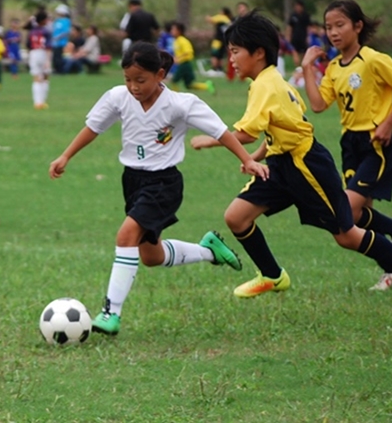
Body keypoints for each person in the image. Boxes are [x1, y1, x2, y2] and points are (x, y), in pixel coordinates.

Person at [190, 10, 392, 318]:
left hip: (307, 166)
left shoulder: (267, 86)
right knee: (237, 217)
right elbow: (282, 129)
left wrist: (212, 138)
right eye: (229, 53)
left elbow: (246, 133)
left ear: (259, 53)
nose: (232, 60)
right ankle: (272, 275)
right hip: (281, 165)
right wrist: (254, 161)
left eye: (236, 52)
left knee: (347, 234)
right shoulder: (271, 83)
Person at [48, 41, 264, 335]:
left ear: (160, 74)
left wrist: (247, 160)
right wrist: (65, 155)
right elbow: (93, 127)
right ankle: (208, 250)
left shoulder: (181, 104)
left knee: (126, 234)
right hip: (133, 181)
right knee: (151, 256)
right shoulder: (118, 97)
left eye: (141, 80)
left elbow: (221, 132)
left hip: (164, 182)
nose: (133, 87)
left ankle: (110, 313)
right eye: (128, 80)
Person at [301, 0, 392, 291]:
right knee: (358, 218)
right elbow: (317, 105)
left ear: (357, 26)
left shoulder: (373, 59)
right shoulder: (333, 67)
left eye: (340, 25)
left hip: (375, 143)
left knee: (347, 213)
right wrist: (307, 67)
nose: (333, 32)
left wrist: (388, 123)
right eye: (329, 27)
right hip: (349, 144)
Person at [169, 22, 215, 94]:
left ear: (179, 31)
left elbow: (188, 52)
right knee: (189, 85)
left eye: (173, 29)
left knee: (174, 81)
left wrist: (178, 58)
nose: (171, 31)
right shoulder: (176, 41)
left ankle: (175, 97)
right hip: (183, 64)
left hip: (185, 64)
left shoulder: (183, 41)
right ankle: (207, 86)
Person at [27, 11, 52, 110]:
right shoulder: (46, 31)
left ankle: (37, 102)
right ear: (43, 20)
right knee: (45, 77)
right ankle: (42, 101)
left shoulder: (32, 31)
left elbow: (28, 44)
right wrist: (48, 60)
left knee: (36, 77)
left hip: (33, 53)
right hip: (43, 53)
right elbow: (49, 46)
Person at [206, 7, 233, 73]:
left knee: (214, 55)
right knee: (221, 56)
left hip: (217, 40)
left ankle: (214, 69)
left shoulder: (221, 17)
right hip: (224, 40)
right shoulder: (228, 20)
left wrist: (208, 17)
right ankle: (220, 69)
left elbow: (210, 20)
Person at [51, 4, 71, 74]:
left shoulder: (66, 21)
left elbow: (66, 32)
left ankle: (60, 70)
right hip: (54, 42)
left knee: (58, 57)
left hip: (60, 42)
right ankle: (56, 69)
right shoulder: (57, 20)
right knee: (55, 57)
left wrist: (57, 37)